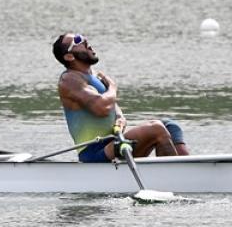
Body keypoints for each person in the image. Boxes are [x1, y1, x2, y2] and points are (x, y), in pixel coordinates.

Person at [53, 32, 191, 162]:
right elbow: (101, 107)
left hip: (115, 142)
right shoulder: (69, 80)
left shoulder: (94, 75)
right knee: (156, 129)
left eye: (82, 37)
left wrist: (120, 118)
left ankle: (191, 167)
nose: (86, 41)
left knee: (169, 125)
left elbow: (112, 105)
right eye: (78, 40)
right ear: (69, 56)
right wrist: (113, 87)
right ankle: (177, 176)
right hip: (94, 152)